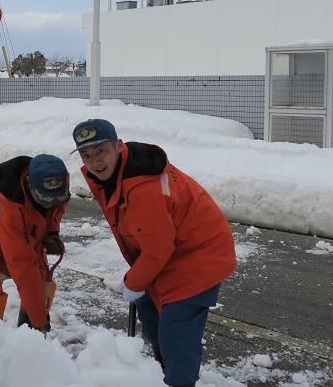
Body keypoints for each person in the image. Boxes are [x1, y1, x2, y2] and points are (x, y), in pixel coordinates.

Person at [72, 118, 236, 387]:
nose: (95, 161)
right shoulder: (111, 175)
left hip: (197, 257)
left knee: (176, 334)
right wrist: (138, 280)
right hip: (167, 252)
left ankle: (178, 380)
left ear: (119, 146)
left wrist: (134, 281)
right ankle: (160, 373)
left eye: (101, 151)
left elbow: (158, 249)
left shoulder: (143, 188)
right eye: (86, 155)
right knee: (149, 315)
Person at [0, 154, 70, 333]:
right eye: (44, 199)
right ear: (28, 183)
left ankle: (28, 332)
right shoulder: (9, 207)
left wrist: (52, 231)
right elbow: (23, 267)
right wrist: (40, 319)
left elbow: (57, 209)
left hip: (24, 232)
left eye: (55, 199)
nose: (50, 205)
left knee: (40, 280)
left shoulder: (57, 180)